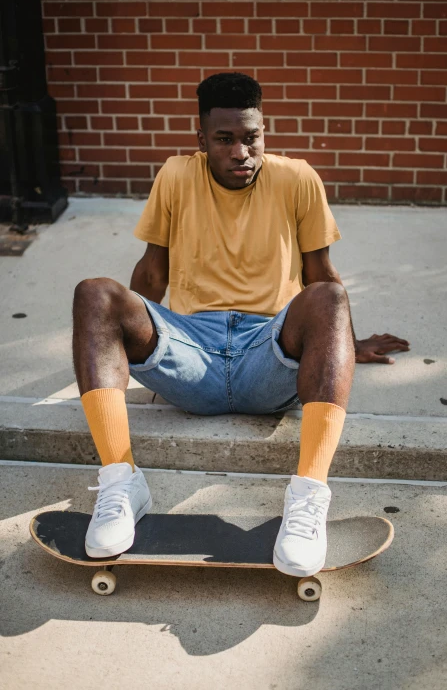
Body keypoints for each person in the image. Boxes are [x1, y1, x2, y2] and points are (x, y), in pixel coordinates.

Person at [73, 72, 409, 577]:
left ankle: (307, 500)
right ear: (201, 139)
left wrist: (345, 341)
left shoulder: (298, 178)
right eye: (224, 139)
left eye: (251, 137)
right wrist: (118, 344)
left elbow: (321, 279)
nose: (241, 152)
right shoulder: (176, 175)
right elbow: (151, 275)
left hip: (267, 355)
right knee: (95, 295)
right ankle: (122, 484)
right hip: (191, 354)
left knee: (330, 298)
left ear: (264, 131)